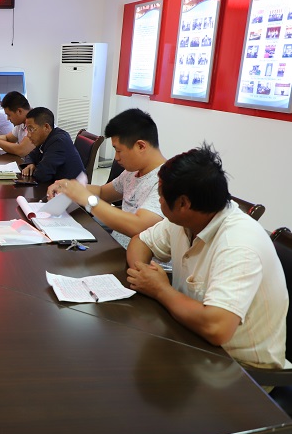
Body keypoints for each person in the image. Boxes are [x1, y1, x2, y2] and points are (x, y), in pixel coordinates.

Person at [126, 144, 288, 370]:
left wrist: (160, 289)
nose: (158, 199)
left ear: (183, 203)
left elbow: (217, 329)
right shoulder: (187, 219)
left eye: (160, 194)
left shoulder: (239, 245)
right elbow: (140, 242)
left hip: (241, 368)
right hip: (191, 338)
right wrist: (143, 274)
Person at [47, 108, 166, 248]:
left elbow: (139, 226)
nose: (116, 157)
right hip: (115, 246)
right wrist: (70, 187)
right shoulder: (132, 172)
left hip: (138, 258)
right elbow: (103, 192)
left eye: (119, 150)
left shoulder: (166, 180)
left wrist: (88, 199)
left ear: (141, 146)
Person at [20, 107, 84, 184]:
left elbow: (42, 175)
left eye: (31, 129)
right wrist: (31, 164)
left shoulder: (59, 141)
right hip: (56, 185)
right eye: (27, 130)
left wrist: (35, 168)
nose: (28, 135)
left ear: (46, 127)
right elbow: (31, 155)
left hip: (72, 189)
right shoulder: (45, 138)